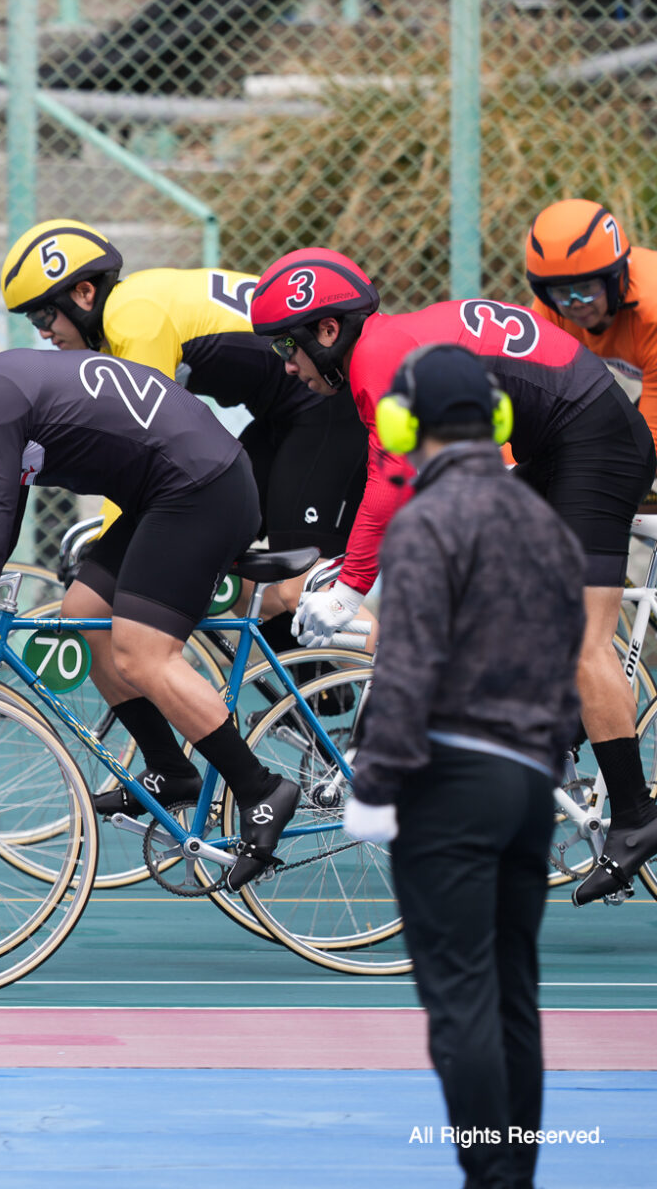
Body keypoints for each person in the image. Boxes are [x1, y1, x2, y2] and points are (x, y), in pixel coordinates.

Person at [0, 300, 300, 890]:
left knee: (142, 652)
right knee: (84, 617)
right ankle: (170, 771)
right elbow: (2, 513)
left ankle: (262, 789)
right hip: (174, 488)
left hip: (197, 489)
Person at [256, 247, 657, 903]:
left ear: (327, 330)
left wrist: (353, 584)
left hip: (590, 441)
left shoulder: (378, 358)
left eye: (286, 349)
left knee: (586, 641)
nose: (289, 367)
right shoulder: (385, 347)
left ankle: (638, 818)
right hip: (556, 439)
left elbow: (390, 476)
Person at [341, 343, 585, 1189]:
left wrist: (375, 783)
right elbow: (572, 660)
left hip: (450, 781)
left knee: (461, 997)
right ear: (498, 420)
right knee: (515, 989)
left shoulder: (426, 523)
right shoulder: (545, 525)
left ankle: (490, 1178)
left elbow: (408, 664)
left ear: (405, 423)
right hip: (530, 783)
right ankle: (515, 1176)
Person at [1, 218, 368, 660]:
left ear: (84, 294)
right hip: (283, 419)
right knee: (222, 548)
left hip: (323, 412)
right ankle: (313, 690)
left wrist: (108, 533)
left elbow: (143, 445)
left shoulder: (132, 320)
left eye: (44, 313)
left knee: (301, 591)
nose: (41, 331)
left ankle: (417, 688)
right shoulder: (129, 312)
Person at [526, 198, 657, 445]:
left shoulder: (652, 312)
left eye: (586, 287)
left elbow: (650, 446)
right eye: (562, 291)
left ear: (614, 279)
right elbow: (533, 400)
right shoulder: (552, 308)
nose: (575, 303)